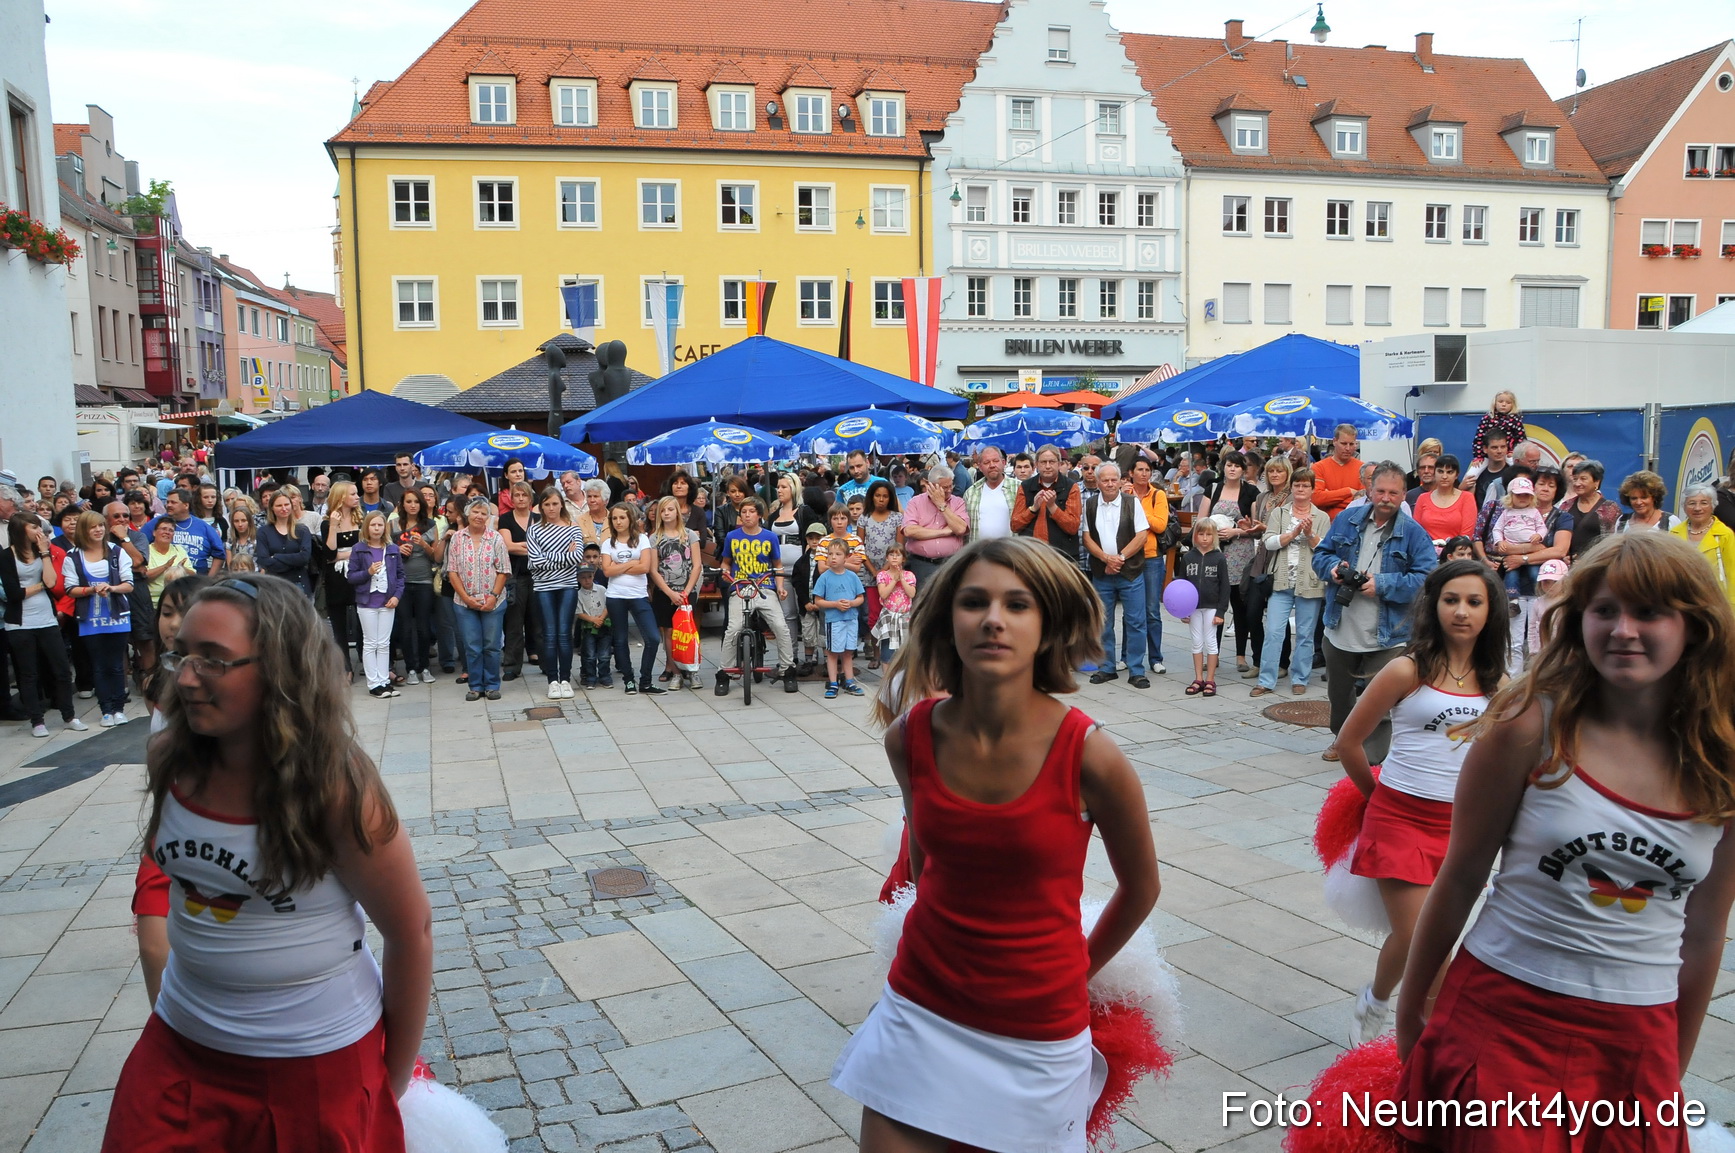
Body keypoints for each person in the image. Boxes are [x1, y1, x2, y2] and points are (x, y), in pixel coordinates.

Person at [1393, 533, 1735, 1151]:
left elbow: (1707, 930)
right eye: (1605, 610)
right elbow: (1461, 875)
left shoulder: (1723, 759)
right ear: (1579, 622)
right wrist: (1411, 1011)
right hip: (1501, 1017)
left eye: (1650, 612)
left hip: (1637, 1037)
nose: (1624, 630)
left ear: (1696, 626)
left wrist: (1671, 1069)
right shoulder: (1528, 723)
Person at [835, 536, 1159, 1152]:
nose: (992, 619)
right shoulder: (910, 737)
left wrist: (1077, 973)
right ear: (946, 618)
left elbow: (1142, 889)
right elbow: (925, 867)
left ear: (1048, 625)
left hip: (1036, 1034)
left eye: (1018, 604)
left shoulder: (1091, 755)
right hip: (919, 1010)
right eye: (974, 601)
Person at [103, 574, 432, 1152]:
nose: (184, 677)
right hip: (179, 1050)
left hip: (312, 1068)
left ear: (281, 670)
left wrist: (390, 1080)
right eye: (182, 653)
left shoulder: (336, 786)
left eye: (213, 660)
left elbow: (412, 932)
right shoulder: (170, 756)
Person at [1337, 560, 1508, 1046]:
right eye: (1451, 599)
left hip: (1460, 829)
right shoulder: (1405, 669)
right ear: (1434, 605)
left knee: (1429, 938)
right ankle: (1431, 1041)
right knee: (1423, 941)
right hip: (1398, 819)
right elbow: (1351, 742)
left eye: (1475, 602)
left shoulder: (1499, 682)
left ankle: (1378, 996)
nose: (1462, 611)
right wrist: (1378, 802)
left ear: (1490, 610)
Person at [1312, 461, 1439, 763]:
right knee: (1339, 696)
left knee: (1380, 701)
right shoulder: (1346, 519)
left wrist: (1382, 584)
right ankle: (1342, 741)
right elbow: (1321, 554)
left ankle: (1372, 759)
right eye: (1380, 490)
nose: (1386, 498)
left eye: (1393, 493)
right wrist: (1332, 569)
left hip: (1389, 634)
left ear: (1404, 495)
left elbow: (1427, 579)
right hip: (1341, 625)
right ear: (1369, 491)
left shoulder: (1414, 533)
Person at [1, 514, 84, 737]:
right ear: (21, 530)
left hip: (46, 618)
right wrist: (39, 586)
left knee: (62, 669)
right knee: (29, 674)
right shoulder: (7, 556)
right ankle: (37, 721)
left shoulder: (42, 552)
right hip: (20, 622)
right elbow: (14, 594)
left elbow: (52, 582)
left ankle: (69, 715)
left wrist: (45, 552)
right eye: (33, 526)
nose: (38, 530)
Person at [1251, 467, 1329, 697]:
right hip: (1281, 581)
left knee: (1305, 634)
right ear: (1291, 488)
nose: (1301, 489)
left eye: (1306, 485)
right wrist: (1293, 534)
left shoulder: (1322, 517)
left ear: (1313, 489)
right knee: (1274, 631)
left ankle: (1300, 678)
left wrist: (1311, 534)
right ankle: (1266, 679)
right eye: (1297, 485)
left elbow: (1325, 549)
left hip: (1310, 582)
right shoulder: (1280, 513)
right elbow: (1268, 542)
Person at [62, 509, 135, 727]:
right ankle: (106, 710)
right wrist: (91, 590)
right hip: (89, 617)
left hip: (117, 615)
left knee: (116, 665)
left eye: (101, 525)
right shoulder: (73, 556)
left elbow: (129, 584)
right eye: (93, 526)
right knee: (99, 666)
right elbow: (70, 588)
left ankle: (119, 708)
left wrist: (111, 588)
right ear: (84, 530)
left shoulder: (117, 551)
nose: (98, 530)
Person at [717, 496, 796, 696]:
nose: (747, 515)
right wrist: (725, 573)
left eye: (751, 511)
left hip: (764, 587)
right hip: (740, 587)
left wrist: (779, 587)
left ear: (759, 515)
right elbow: (726, 562)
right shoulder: (732, 537)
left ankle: (788, 670)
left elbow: (777, 566)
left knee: (780, 625)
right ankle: (724, 672)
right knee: (733, 628)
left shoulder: (769, 537)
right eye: (743, 512)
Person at [1082, 462, 1151, 690]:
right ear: (1098, 482)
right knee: (1103, 622)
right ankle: (1107, 668)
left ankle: (1136, 670)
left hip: (1130, 572)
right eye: (1105, 480)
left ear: (1121, 480)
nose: (1110, 484)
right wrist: (1105, 559)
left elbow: (1142, 535)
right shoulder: (1090, 504)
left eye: (1114, 479)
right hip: (1102, 572)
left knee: (1136, 622)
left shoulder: (1132, 503)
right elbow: (1087, 537)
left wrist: (1119, 558)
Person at [1195, 451, 1259, 678]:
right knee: (1216, 605)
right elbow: (1201, 520)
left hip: (1241, 554)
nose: (1232, 469)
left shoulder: (1251, 492)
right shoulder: (1213, 488)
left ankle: (1241, 655)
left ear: (1244, 469)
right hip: (1214, 553)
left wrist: (1236, 531)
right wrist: (1210, 535)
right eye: (1229, 465)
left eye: (1237, 466)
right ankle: (1215, 653)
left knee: (1240, 606)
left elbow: (1255, 527)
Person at [446, 498, 511, 702]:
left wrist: (492, 597)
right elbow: (452, 571)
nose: (479, 516)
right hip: (464, 603)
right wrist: (466, 598)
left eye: (483, 513)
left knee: (491, 645)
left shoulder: (496, 538)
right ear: (467, 514)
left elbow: (503, 570)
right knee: (472, 645)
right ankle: (475, 686)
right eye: (475, 512)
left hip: (493, 601)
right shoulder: (457, 538)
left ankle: (492, 685)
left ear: (488, 517)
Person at [596, 503, 664, 695]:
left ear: (630, 519)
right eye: (615, 518)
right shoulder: (608, 543)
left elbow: (644, 567)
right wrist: (632, 563)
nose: (618, 521)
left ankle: (646, 680)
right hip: (616, 596)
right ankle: (628, 680)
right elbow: (607, 571)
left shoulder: (642, 539)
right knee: (620, 639)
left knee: (652, 637)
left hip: (638, 595)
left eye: (622, 518)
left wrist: (621, 565)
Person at [526, 487, 582, 699]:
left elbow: (576, 558)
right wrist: (561, 556)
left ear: (561, 505)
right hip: (543, 588)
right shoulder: (534, 530)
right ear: (541, 507)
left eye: (555, 504)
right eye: (547, 504)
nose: (551, 508)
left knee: (564, 634)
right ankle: (552, 681)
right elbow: (534, 562)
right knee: (549, 634)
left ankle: (566, 679)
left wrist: (548, 557)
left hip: (567, 586)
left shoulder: (572, 528)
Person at [347, 511, 405, 699]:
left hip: (387, 602)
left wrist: (397, 596)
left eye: (380, 525)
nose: (377, 528)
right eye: (373, 525)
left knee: (384, 643)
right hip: (367, 602)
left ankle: (384, 680)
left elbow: (400, 576)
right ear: (367, 527)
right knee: (371, 642)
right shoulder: (359, 548)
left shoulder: (393, 549)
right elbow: (352, 576)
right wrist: (368, 572)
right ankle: (374, 683)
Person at [647, 495, 701, 688]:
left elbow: (696, 566)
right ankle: (676, 671)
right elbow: (654, 569)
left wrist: (686, 591)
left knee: (688, 630)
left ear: (677, 511)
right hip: (665, 592)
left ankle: (693, 670)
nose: (667, 513)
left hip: (687, 591)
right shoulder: (655, 538)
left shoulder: (689, 535)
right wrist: (669, 593)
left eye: (670, 509)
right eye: (663, 510)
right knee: (669, 631)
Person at [389, 489, 442, 686]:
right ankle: (410, 668)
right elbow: (386, 551)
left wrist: (425, 545)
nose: (412, 505)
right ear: (402, 504)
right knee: (405, 627)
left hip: (424, 580)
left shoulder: (430, 525)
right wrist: (397, 549)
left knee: (423, 626)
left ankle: (425, 667)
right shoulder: (393, 524)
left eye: (416, 502)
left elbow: (436, 556)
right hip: (401, 581)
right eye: (408, 501)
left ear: (421, 504)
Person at [1126, 459, 1171, 677]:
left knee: (1152, 610)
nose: (1144, 474)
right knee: (1131, 611)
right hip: (1129, 556)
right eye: (1140, 470)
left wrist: (1136, 502)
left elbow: (1160, 525)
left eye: (1147, 470)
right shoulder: (1122, 492)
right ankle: (1127, 656)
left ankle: (1155, 658)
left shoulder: (1157, 495)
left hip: (1152, 557)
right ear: (1131, 473)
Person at [315, 481, 362, 679]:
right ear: (342, 497)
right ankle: (345, 668)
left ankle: (367, 663)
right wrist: (334, 527)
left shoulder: (361, 519)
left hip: (359, 575)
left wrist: (345, 555)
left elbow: (365, 549)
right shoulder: (328, 523)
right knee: (339, 626)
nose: (357, 497)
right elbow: (329, 554)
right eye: (353, 494)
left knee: (362, 623)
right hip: (336, 578)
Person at [1178, 519, 1230, 697]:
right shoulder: (1187, 557)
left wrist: (1221, 611)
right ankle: (1198, 677)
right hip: (1193, 607)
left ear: (1214, 536)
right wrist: (1182, 610)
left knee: (1211, 641)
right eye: (1201, 534)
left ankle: (1211, 679)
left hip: (1211, 607)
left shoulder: (1219, 558)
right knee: (1196, 642)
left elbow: (1225, 586)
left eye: (1209, 534)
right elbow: (1181, 584)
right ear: (1195, 536)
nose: (1205, 538)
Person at [1012, 446, 1083, 572]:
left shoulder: (1071, 487)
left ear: (1059, 464)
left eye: (1052, 462)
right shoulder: (1025, 487)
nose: (1048, 466)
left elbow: (1072, 527)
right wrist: (1033, 509)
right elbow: (1015, 525)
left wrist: (1053, 507)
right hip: (1031, 558)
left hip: (1063, 559)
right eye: (1043, 462)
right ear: (1037, 465)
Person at [812, 540, 867, 699]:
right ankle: (833, 682)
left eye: (838, 554)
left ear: (846, 557)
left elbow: (860, 598)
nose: (833, 558)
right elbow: (818, 601)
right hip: (834, 621)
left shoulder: (852, 576)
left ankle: (849, 681)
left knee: (848, 652)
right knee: (833, 653)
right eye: (830, 554)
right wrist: (835, 604)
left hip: (851, 619)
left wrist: (851, 603)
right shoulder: (824, 577)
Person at [902, 467, 970, 587]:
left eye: (951, 485)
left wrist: (941, 504)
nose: (949, 490)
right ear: (931, 486)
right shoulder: (915, 502)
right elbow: (909, 531)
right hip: (921, 564)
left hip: (951, 562)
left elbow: (960, 529)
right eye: (945, 487)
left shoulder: (958, 502)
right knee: (923, 602)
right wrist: (945, 532)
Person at [497, 481, 536, 682]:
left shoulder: (539, 518)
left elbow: (545, 546)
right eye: (517, 495)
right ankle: (512, 665)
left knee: (540, 621)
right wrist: (532, 548)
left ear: (530, 498)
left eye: (524, 495)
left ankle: (546, 662)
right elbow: (507, 546)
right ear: (511, 499)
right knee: (513, 622)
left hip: (539, 576)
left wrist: (520, 545)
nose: (520, 498)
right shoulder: (505, 519)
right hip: (516, 576)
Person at [1672, 483, 1735, 606]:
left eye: (1704, 503)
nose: (1697, 508)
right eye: (1692, 503)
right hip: (1682, 602)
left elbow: (1733, 574)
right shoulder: (1674, 533)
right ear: (1684, 507)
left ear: (1713, 506)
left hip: (1714, 602)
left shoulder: (1724, 534)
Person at [150, 488, 226, 576]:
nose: (168, 505)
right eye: (168, 502)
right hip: (162, 577)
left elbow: (219, 554)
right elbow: (141, 544)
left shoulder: (203, 526)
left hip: (196, 580)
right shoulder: (157, 522)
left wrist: (209, 580)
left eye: (173, 502)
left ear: (186, 505)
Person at [1411, 454, 1476, 545]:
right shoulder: (1423, 498)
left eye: (1449, 472)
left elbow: (1466, 535)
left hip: (1456, 553)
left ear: (1456, 475)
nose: (1444, 476)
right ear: (1435, 473)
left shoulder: (1466, 498)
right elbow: (1416, 531)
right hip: (1426, 551)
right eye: (1440, 471)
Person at [257, 490, 312, 596]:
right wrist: (293, 562)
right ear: (272, 508)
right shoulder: (263, 532)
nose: (284, 508)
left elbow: (304, 558)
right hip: (273, 586)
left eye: (286, 504)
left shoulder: (302, 530)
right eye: (279, 505)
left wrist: (276, 557)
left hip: (299, 584)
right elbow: (263, 560)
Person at [1566, 459, 1618, 560]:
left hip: (1596, 563)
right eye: (1575, 479)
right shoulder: (1565, 506)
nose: (1577, 483)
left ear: (1596, 482)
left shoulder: (1610, 508)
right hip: (1567, 564)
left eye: (1583, 479)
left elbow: (1613, 542)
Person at [871, 544, 916, 663]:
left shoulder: (909, 575)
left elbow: (912, 594)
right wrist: (894, 580)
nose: (894, 557)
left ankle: (902, 679)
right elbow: (883, 594)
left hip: (905, 616)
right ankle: (887, 680)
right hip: (888, 615)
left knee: (905, 651)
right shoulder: (882, 575)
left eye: (898, 555)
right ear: (887, 557)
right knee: (887, 653)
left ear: (904, 558)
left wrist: (902, 579)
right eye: (891, 554)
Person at [963, 446, 1016, 545]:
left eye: (995, 461)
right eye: (986, 463)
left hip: (1011, 553)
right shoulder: (971, 493)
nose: (992, 465)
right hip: (979, 553)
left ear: (1003, 463)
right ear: (980, 466)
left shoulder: (1018, 488)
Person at [1312, 425, 1364, 521]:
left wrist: (1329, 497)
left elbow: (1363, 502)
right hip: (1325, 524)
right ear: (1334, 441)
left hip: (1353, 523)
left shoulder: (1363, 468)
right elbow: (1316, 499)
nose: (1348, 448)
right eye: (1344, 444)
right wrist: (1348, 491)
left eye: (1352, 444)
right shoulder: (1319, 467)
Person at [574, 560, 611, 689]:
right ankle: (590, 677)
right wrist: (592, 620)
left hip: (604, 626)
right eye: (583, 578)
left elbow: (608, 605)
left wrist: (601, 618)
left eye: (589, 576)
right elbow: (579, 612)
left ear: (594, 575)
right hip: (589, 628)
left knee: (605, 654)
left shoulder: (601, 589)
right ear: (578, 578)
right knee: (589, 654)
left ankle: (605, 676)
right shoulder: (578, 594)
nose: (587, 580)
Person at [1470, 388, 1526, 469]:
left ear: (1513, 405)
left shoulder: (1515, 420)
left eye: (1508, 402)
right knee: (1472, 473)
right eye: (1500, 402)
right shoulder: (1487, 418)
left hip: (1508, 454)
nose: (1504, 404)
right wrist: (1478, 456)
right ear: (1495, 403)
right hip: (1487, 455)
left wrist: (1513, 451)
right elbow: (1478, 438)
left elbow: (1521, 439)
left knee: (1519, 470)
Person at [1466, 430, 1514, 507]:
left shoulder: (1514, 473)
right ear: (1485, 449)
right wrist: (1461, 488)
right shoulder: (1476, 474)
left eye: (1503, 447)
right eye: (1494, 447)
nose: (1499, 451)